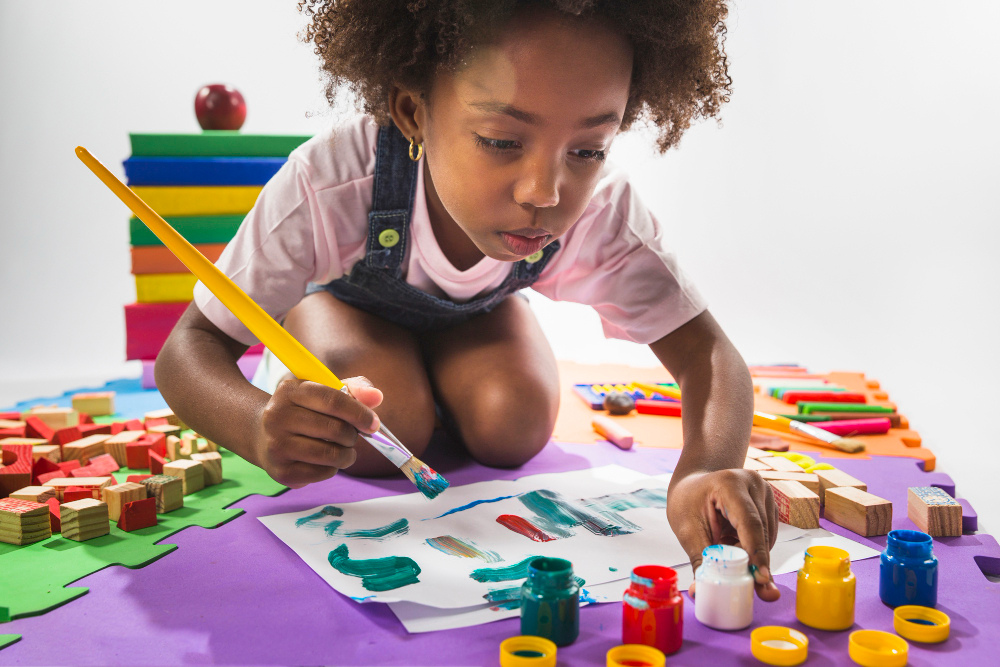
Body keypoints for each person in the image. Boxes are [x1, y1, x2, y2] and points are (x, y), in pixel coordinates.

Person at [156, 0, 780, 600]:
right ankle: (333, 329)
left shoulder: (604, 212)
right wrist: (258, 428)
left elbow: (709, 353)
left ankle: (452, 366)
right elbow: (190, 348)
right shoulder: (330, 182)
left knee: (514, 424)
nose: (545, 191)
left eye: (588, 150)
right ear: (412, 110)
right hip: (350, 307)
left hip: (478, 318)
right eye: (503, 140)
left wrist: (701, 468)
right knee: (381, 431)